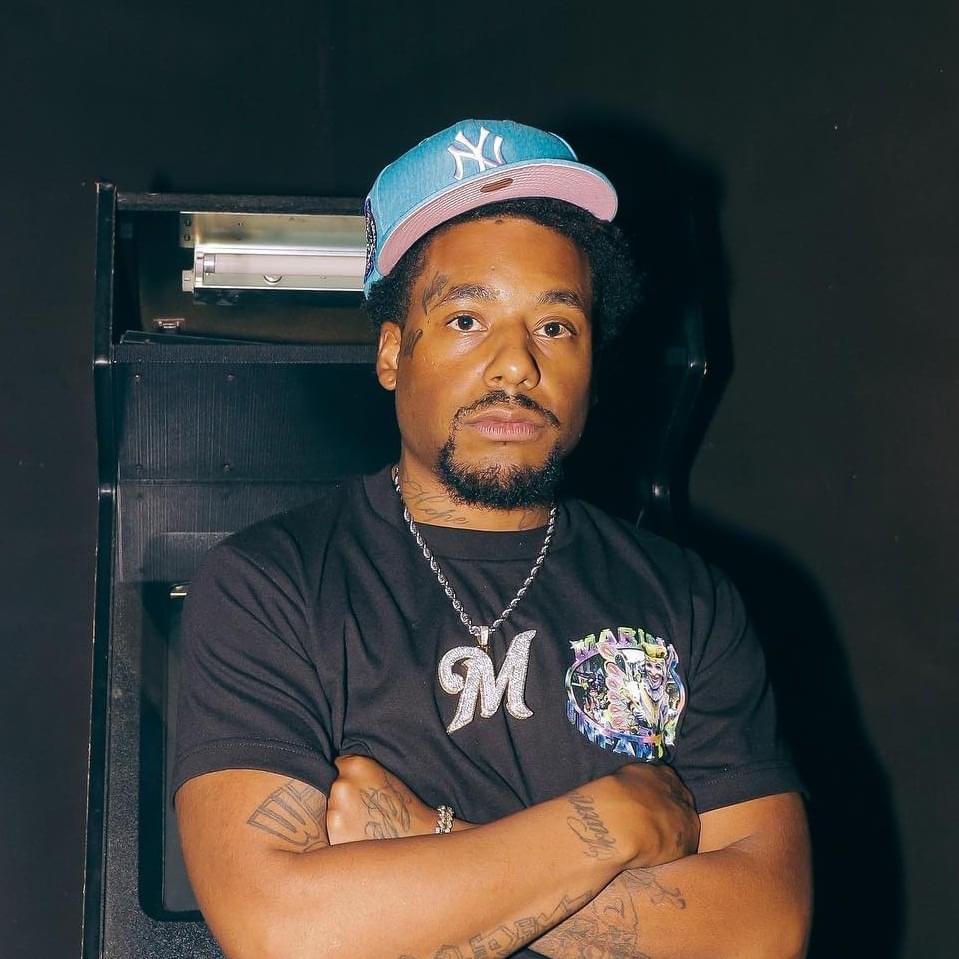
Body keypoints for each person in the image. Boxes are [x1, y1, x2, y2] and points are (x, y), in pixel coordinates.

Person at [173, 119, 811, 959]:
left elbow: (762, 933)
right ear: (392, 353)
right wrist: (611, 821)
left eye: (555, 326)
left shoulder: (689, 599)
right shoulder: (269, 585)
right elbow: (287, 933)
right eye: (467, 318)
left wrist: (428, 835)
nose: (516, 365)